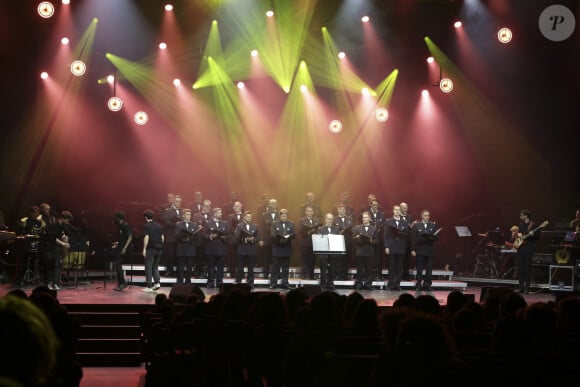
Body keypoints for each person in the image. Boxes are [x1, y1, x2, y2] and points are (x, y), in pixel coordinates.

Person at [411, 209, 439, 291]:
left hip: (429, 250)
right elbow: (413, 238)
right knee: (419, 268)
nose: (427, 217)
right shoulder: (417, 225)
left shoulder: (433, 225)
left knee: (429, 269)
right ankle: (419, 284)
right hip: (420, 249)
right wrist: (413, 249)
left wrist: (433, 238)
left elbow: (437, 236)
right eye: (426, 215)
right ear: (422, 216)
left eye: (428, 215)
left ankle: (427, 284)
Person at [384, 204, 410, 290]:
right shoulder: (388, 221)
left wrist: (403, 233)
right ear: (393, 211)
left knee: (399, 267)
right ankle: (391, 284)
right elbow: (385, 235)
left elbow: (407, 234)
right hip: (391, 247)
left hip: (401, 247)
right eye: (395, 210)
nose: (397, 211)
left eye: (398, 210)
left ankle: (397, 284)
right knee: (391, 267)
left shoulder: (404, 222)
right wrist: (386, 247)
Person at [235, 211, 263, 288]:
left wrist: (253, 239)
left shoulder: (255, 226)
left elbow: (258, 237)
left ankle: (250, 283)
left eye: (250, 217)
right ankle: (238, 282)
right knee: (240, 267)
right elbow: (237, 236)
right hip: (242, 249)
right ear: (244, 217)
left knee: (251, 268)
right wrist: (245, 239)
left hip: (251, 250)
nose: (249, 218)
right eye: (247, 217)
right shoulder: (239, 226)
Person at [515, 209, 540, 294]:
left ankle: (527, 288)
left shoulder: (534, 224)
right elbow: (521, 235)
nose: (520, 217)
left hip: (529, 247)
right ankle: (521, 287)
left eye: (521, 215)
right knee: (521, 267)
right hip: (521, 247)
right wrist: (518, 235)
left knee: (527, 267)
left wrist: (534, 235)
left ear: (526, 216)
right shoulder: (521, 224)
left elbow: (538, 236)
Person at [204, 207, 229, 289]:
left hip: (222, 249)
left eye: (221, 213)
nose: (221, 214)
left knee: (220, 267)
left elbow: (228, 235)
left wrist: (224, 237)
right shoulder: (208, 223)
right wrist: (210, 236)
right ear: (214, 214)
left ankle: (219, 282)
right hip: (211, 249)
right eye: (219, 213)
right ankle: (210, 282)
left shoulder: (225, 223)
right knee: (211, 267)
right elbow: (204, 234)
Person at [270, 209, 295, 289]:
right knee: (275, 267)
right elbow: (273, 234)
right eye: (282, 216)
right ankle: (273, 283)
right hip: (277, 248)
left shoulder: (291, 223)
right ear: (279, 216)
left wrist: (288, 237)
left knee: (285, 268)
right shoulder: (274, 223)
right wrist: (280, 239)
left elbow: (293, 234)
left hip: (286, 248)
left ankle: (285, 283)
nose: (284, 217)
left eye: (285, 216)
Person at [316, 213, 340, 291]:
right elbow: (319, 241)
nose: (330, 221)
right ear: (325, 219)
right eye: (328, 219)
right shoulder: (320, 229)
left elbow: (337, 240)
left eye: (331, 219)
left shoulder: (336, 229)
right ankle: (323, 285)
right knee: (323, 270)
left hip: (333, 253)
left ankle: (330, 284)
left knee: (332, 270)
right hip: (323, 253)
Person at [353, 212, 377, 290]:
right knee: (359, 269)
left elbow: (377, 241)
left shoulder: (374, 228)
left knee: (369, 269)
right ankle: (359, 284)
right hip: (360, 251)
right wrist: (357, 238)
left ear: (369, 218)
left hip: (369, 251)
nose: (364, 219)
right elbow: (353, 239)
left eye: (366, 217)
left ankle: (368, 284)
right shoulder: (357, 227)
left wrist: (371, 241)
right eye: (363, 217)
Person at [175, 209, 199, 284]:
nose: (189, 216)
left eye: (190, 214)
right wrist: (184, 237)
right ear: (183, 215)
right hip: (181, 248)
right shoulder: (179, 224)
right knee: (180, 267)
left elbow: (197, 237)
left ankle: (188, 281)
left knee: (189, 267)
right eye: (187, 214)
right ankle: (180, 281)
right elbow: (176, 236)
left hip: (190, 248)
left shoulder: (194, 225)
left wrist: (191, 239)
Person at [142, 210, 164, 292]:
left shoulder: (146, 226)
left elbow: (146, 237)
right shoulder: (159, 226)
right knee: (155, 267)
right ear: (153, 217)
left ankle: (149, 286)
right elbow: (162, 238)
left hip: (150, 249)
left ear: (146, 217)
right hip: (159, 249)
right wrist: (160, 246)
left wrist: (144, 249)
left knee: (148, 267)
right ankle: (157, 283)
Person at [162, 194, 182, 277]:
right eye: (177, 201)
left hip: (180, 237)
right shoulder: (168, 211)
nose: (179, 203)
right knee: (170, 254)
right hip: (170, 236)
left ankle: (178, 271)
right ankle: (169, 270)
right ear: (173, 201)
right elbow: (166, 222)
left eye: (180, 202)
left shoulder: (182, 211)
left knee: (179, 254)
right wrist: (176, 224)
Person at [299, 205, 321, 280]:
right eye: (308, 211)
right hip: (305, 243)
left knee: (313, 260)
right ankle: (303, 275)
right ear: (305, 212)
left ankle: (312, 275)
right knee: (305, 260)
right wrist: (308, 232)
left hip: (314, 243)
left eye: (311, 211)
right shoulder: (302, 220)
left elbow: (319, 230)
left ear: (313, 212)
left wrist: (317, 233)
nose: (310, 212)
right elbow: (299, 230)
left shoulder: (317, 220)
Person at [112, 211, 132, 291]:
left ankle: (123, 283)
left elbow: (130, 237)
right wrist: (117, 243)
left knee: (117, 264)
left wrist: (124, 248)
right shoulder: (120, 226)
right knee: (117, 265)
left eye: (115, 218)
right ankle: (121, 283)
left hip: (124, 249)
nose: (114, 219)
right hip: (120, 248)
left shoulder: (125, 225)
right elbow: (123, 238)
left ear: (118, 218)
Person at [334, 203, 354, 280]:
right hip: (338, 243)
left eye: (343, 209)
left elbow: (352, 230)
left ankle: (344, 275)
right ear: (337, 210)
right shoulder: (335, 219)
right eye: (340, 209)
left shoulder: (350, 219)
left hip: (348, 242)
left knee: (347, 259)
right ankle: (338, 275)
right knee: (338, 259)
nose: (342, 210)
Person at [400, 202, 414, 281]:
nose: (406, 209)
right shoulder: (397, 217)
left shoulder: (409, 217)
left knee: (407, 260)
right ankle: (398, 275)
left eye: (407, 207)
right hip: (400, 242)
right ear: (400, 208)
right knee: (399, 260)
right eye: (405, 208)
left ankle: (406, 275)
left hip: (408, 242)